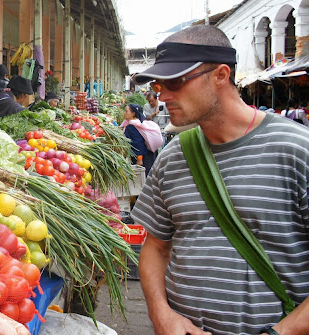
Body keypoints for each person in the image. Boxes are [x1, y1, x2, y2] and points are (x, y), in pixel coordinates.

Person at [130, 25, 309, 335]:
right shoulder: (173, 159)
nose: (163, 96)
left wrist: (282, 332)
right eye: (159, 86)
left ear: (221, 75)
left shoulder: (296, 150)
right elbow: (156, 247)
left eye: (176, 81)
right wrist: (161, 314)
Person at [121, 104, 157, 176]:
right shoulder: (138, 123)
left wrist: (139, 159)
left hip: (143, 157)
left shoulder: (133, 126)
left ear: (133, 114)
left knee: (144, 177)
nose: (124, 113)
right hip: (147, 154)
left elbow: (138, 143)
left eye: (126, 111)